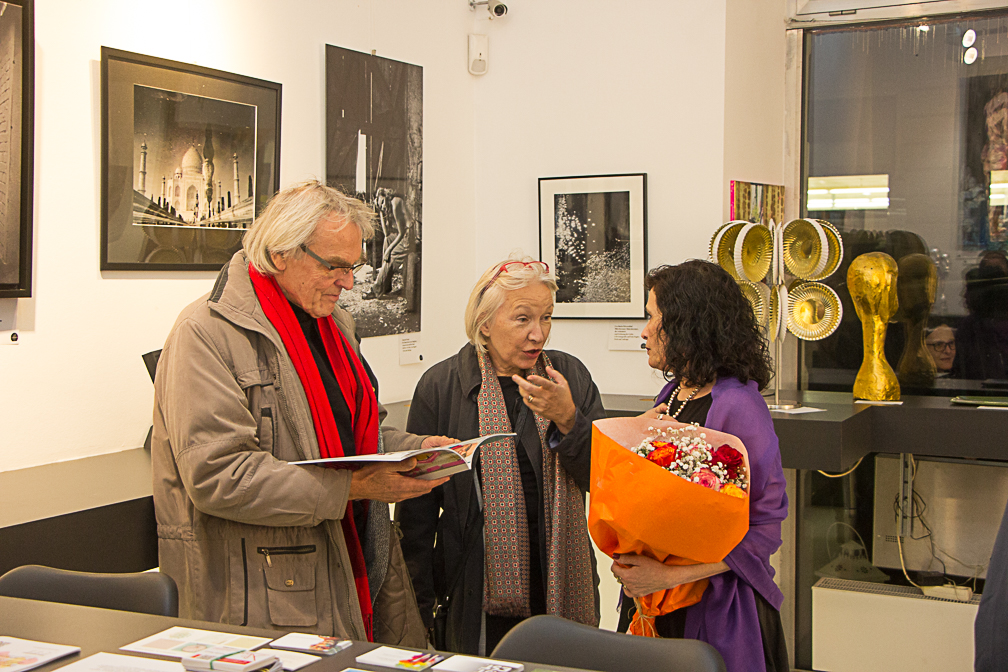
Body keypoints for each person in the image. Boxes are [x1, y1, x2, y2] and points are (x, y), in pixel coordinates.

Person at [152, 179, 456, 644]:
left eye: (354, 266)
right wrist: (354, 486)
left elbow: (355, 432)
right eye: (334, 266)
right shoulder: (205, 334)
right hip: (267, 588)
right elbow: (219, 476)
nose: (349, 282)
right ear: (280, 254)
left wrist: (416, 450)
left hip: (355, 559)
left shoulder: (336, 325)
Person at [396, 257, 605, 654]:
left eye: (546, 318)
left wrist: (567, 419)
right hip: (475, 586)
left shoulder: (569, 376)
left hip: (559, 576)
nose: (537, 333)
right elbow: (417, 514)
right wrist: (417, 609)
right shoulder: (441, 387)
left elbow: (601, 477)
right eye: (523, 319)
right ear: (485, 324)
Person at [611, 259, 789, 672]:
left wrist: (668, 577)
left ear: (688, 325)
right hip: (654, 600)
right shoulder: (676, 393)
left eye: (653, 317)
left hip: (714, 612)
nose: (644, 330)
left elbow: (763, 530)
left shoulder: (739, 407)